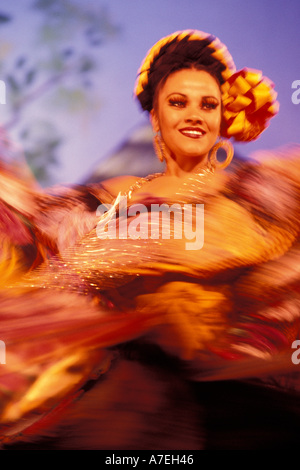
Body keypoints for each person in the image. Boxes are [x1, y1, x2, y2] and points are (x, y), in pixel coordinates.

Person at [1, 29, 300, 450]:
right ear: (156, 117)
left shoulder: (257, 191)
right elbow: (42, 241)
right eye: (178, 103)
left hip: (229, 393)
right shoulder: (111, 196)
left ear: (223, 116)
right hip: (117, 386)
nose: (194, 114)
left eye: (208, 104)